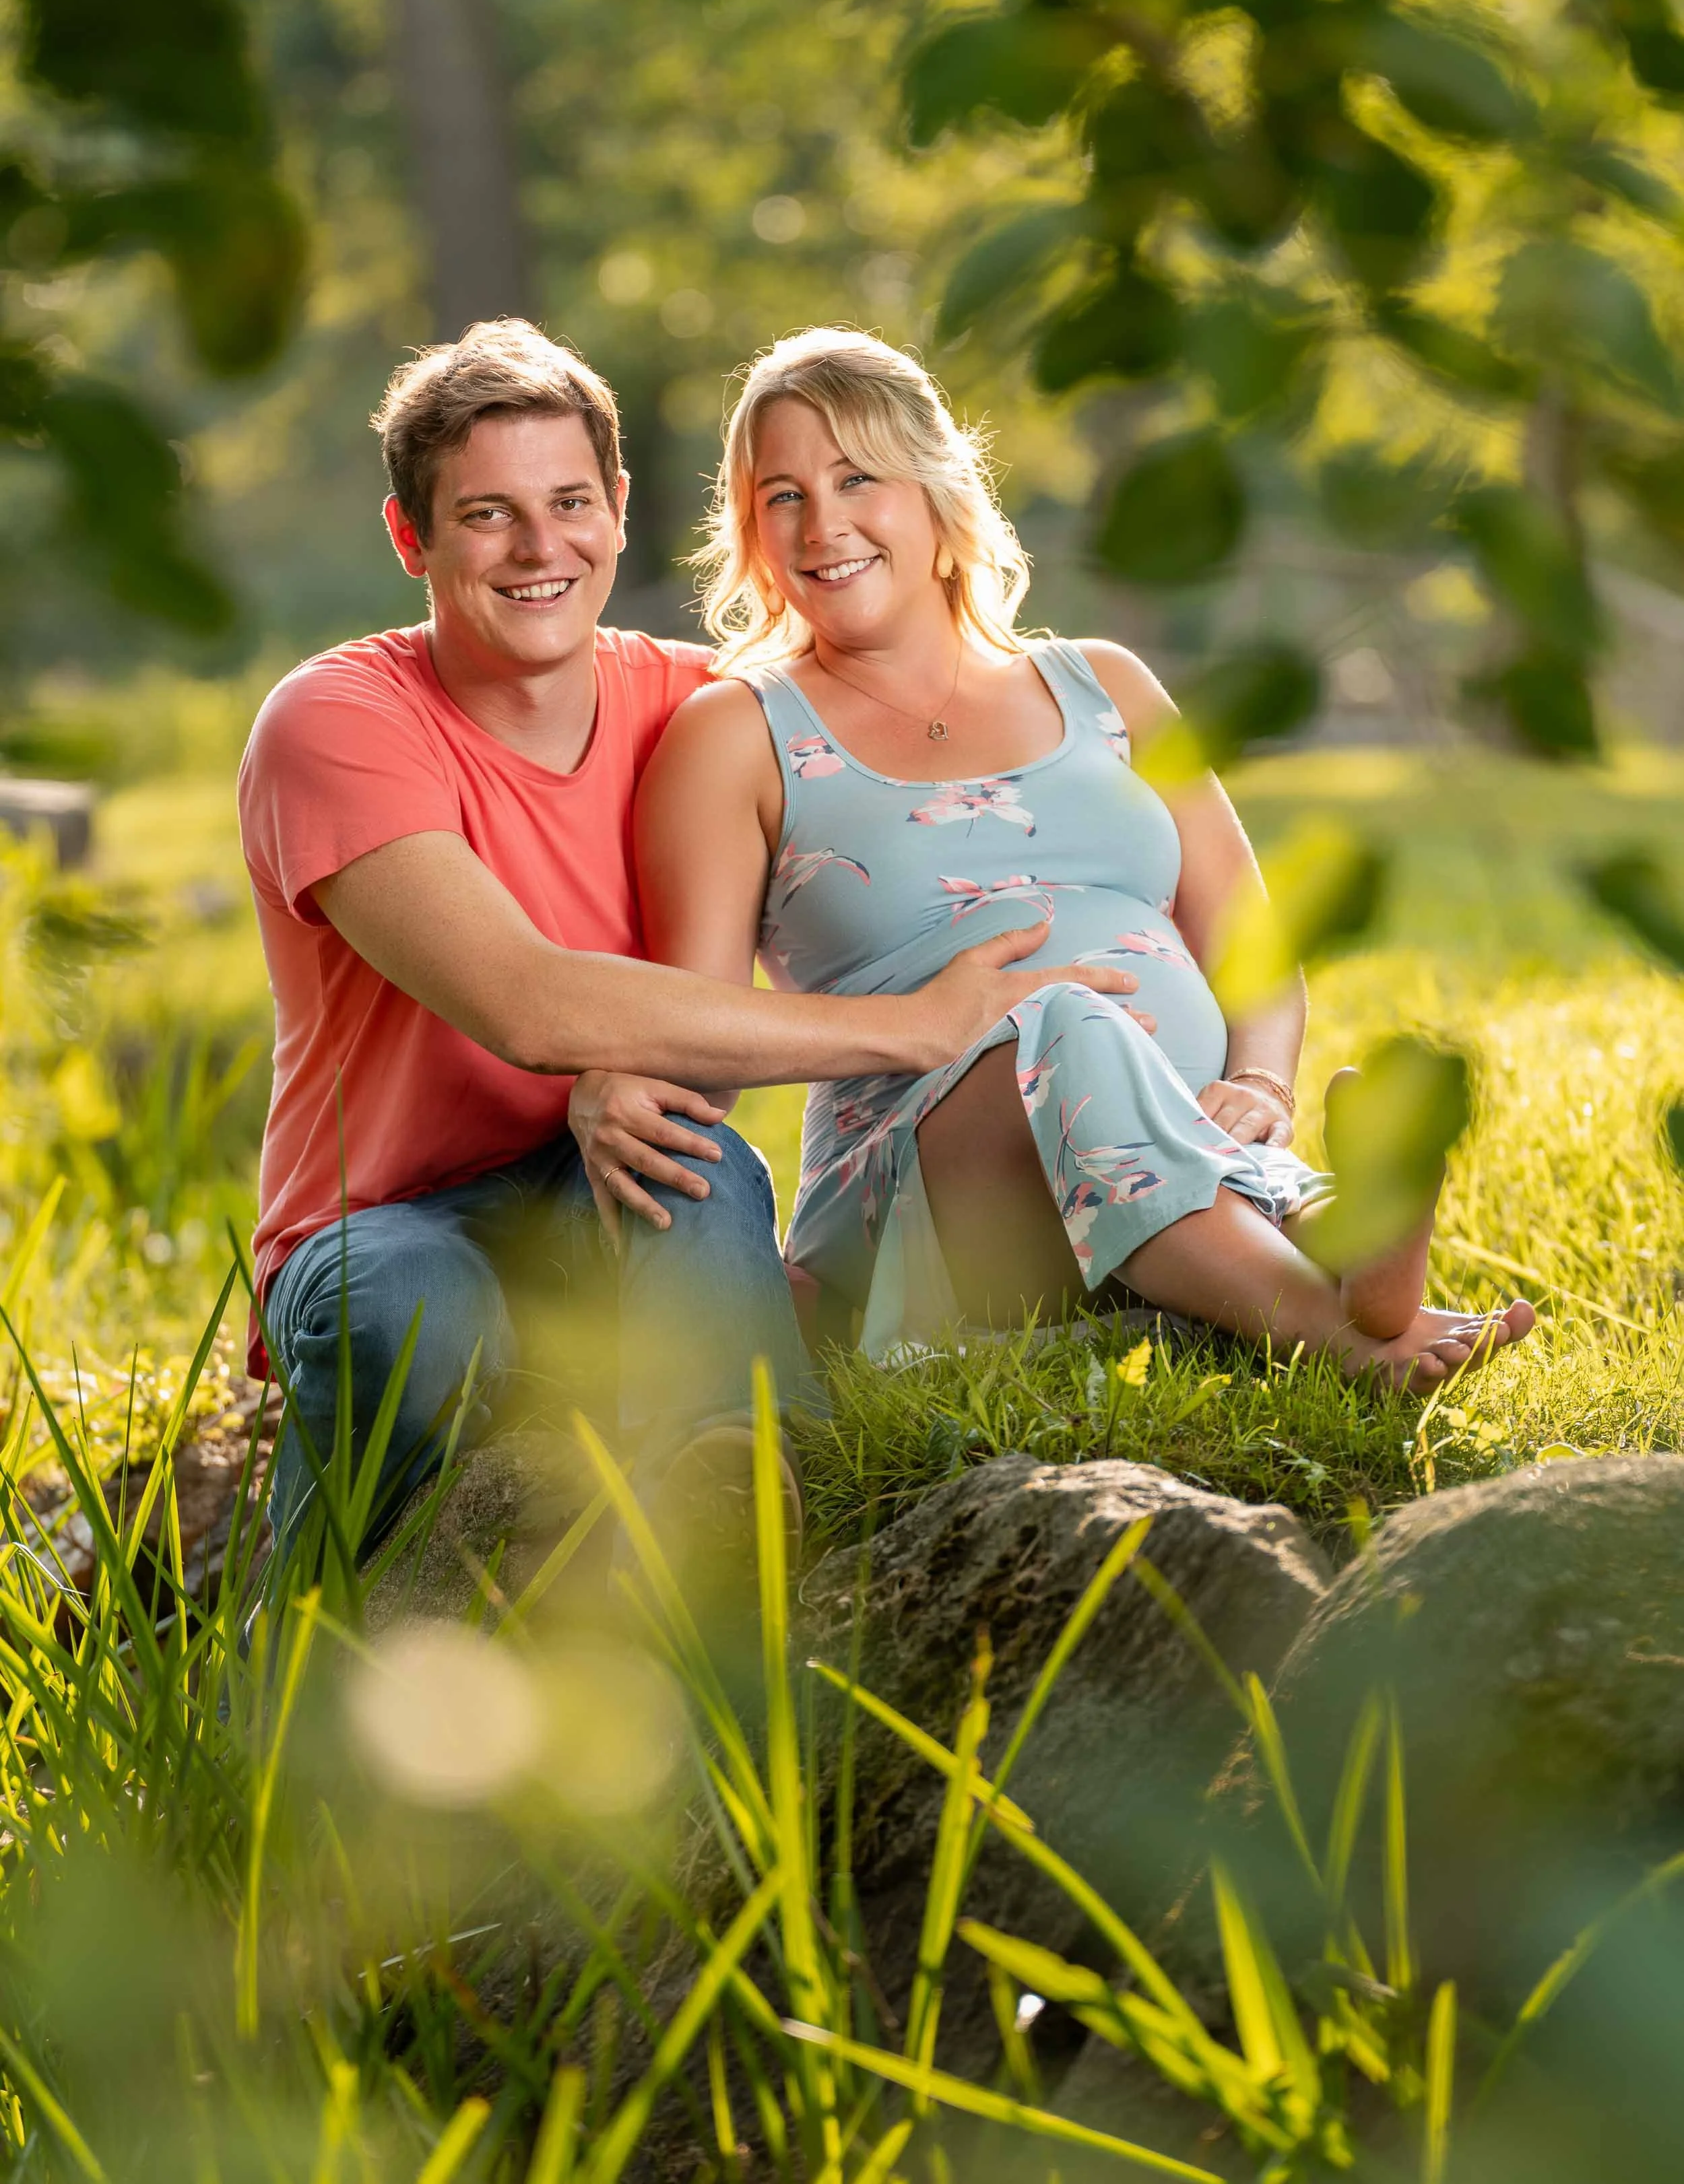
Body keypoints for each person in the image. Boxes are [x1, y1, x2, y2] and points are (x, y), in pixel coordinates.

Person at [237, 319, 1140, 1566]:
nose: (540, 547)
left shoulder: (703, 709)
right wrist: (912, 1025)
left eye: (567, 502)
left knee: (697, 1171)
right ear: (413, 537)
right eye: (488, 514)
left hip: (613, 1178)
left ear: (617, 506)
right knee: (412, 1313)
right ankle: (312, 1648)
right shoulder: (336, 723)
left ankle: (737, 1524)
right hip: (387, 1219)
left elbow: (908, 782)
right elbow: (530, 1005)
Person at [608, 327, 1534, 1389]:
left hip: (1186, 1135)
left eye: (857, 477)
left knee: (1093, 1041)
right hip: (931, 1186)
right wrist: (614, 1089)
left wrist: (1264, 1079)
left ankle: (1327, 1241)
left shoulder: (1108, 685)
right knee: (1062, 1014)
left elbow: (1250, 941)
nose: (823, 525)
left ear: (935, 495)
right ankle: (1344, 1323)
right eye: (783, 496)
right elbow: (700, 1028)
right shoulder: (737, 733)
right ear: (751, 531)